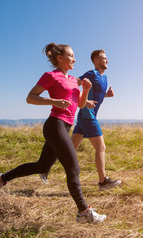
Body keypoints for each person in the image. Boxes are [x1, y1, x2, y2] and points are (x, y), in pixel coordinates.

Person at [0, 43, 106, 224]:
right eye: (72, 56)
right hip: (55, 125)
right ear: (60, 58)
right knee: (74, 169)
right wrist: (54, 101)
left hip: (66, 126)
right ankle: (84, 211)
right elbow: (30, 97)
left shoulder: (74, 80)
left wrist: (86, 91)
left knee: (42, 166)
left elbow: (80, 105)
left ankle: (0, 178)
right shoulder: (51, 76)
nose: (75, 59)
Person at [40, 49, 121, 191]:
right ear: (96, 61)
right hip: (87, 115)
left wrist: (106, 95)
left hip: (86, 117)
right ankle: (103, 182)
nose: (107, 60)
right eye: (104, 58)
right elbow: (73, 85)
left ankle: (44, 167)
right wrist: (80, 99)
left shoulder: (105, 77)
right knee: (101, 147)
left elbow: (97, 96)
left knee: (69, 148)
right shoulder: (91, 74)